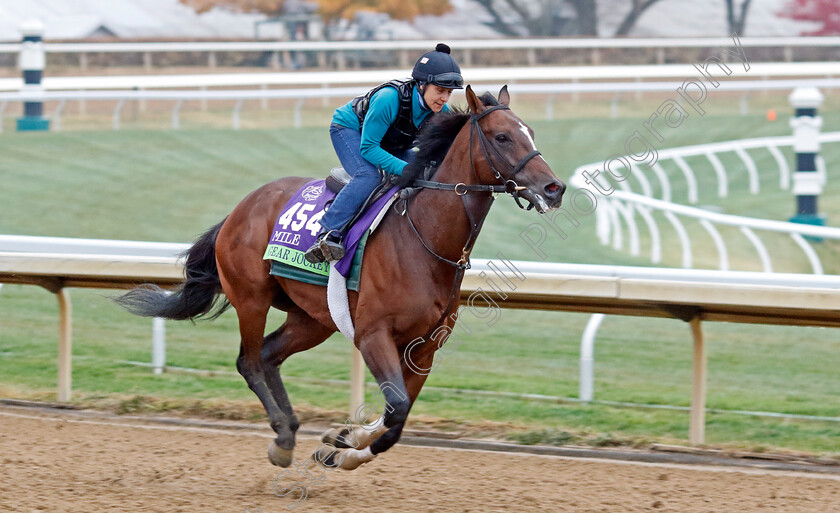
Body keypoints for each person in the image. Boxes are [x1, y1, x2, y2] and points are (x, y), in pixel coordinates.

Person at [304, 43, 464, 264]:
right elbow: (369, 148)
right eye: (440, 90)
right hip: (350, 131)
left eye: (449, 92)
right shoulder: (388, 98)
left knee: (428, 172)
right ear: (422, 85)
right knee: (369, 175)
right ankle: (328, 233)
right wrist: (405, 169)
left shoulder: (440, 112)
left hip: (391, 141)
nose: (445, 99)